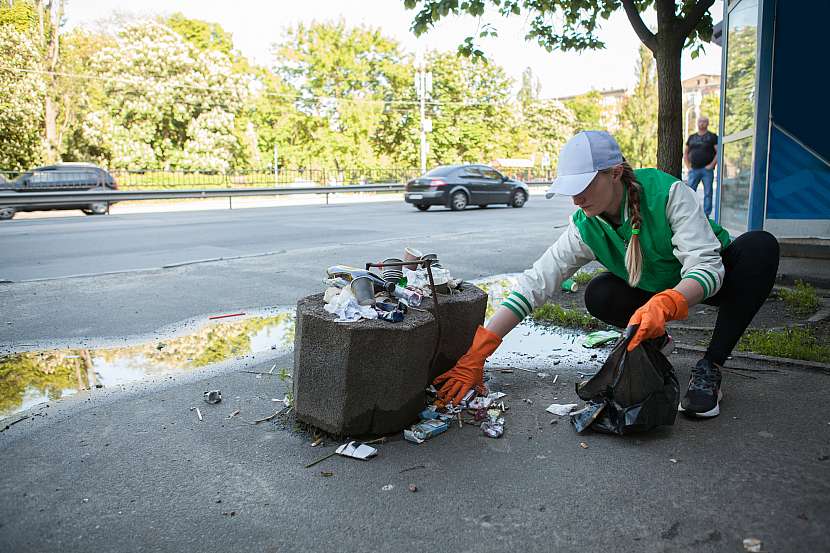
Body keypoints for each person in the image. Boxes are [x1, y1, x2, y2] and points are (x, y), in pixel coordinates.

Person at [434, 131, 779, 419]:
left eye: (583, 185)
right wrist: (478, 353)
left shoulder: (668, 193)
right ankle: (656, 342)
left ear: (615, 173)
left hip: (708, 282)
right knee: (598, 293)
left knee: (760, 247)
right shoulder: (586, 225)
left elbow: (706, 268)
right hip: (654, 290)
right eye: (570, 188)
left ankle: (710, 367)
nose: (576, 198)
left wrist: (668, 303)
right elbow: (536, 283)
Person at [684, 116, 718, 217]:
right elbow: (685, 153)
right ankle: (689, 213)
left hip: (706, 170)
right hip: (693, 169)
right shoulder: (692, 137)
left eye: (704, 121)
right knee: (690, 192)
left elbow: (718, 152)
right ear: (697, 123)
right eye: (700, 121)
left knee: (708, 193)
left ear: (707, 123)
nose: (702, 123)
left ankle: (706, 215)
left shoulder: (712, 136)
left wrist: (712, 165)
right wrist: (688, 167)